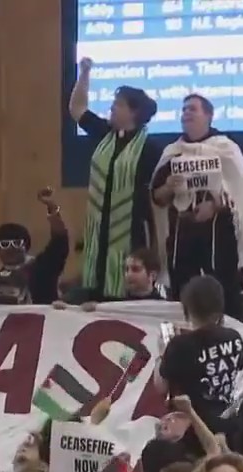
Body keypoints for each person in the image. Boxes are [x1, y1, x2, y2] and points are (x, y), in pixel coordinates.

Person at [152, 92, 243, 318]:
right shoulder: (173, 152)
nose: (186, 113)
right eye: (183, 110)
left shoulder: (226, 149)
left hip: (219, 238)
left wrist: (214, 206)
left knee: (224, 294)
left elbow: (240, 191)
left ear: (208, 115)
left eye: (192, 109)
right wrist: (169, 188)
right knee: (182, 294)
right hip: (182, 237)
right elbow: (157, 197)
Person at [67, 57, 164, 301]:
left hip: (132, 229)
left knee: (125, 288)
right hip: (98, 233)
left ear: (134, 112)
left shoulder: (150, 149)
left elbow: (159, 193)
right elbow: (76, 108)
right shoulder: (104, 134)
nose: (112, 108)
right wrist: (84, 73)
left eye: (118, 104)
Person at [157, 276, 243, 434]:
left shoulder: (179, 345)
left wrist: (161, 354)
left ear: (187, 307)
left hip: (193, 429)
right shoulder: (234, 337)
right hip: (229, 424)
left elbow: (161, 386)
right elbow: (240, 366)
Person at [0, 189, 70, 306]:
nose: (11, 248)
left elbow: (59, 242)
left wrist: (52, 208)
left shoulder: (42, 270)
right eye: (5, 244)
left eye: (17, 243)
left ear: (26, 246)